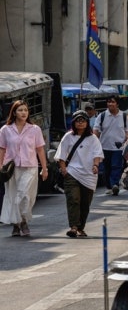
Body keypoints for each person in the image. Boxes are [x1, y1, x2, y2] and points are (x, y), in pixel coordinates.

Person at [0, 100, 49, 236]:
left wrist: (44, 168)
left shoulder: (34, 129)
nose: (23, 113)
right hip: (11, 168)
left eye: (25, 110)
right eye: (20, 110)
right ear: (14, 112)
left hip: (30, 167)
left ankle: (22, 220)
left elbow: (40, 149)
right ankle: (18, 224)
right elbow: (2, 149)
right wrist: (0, 165)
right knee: (12, 195)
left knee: (25, 195)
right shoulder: (6, 130)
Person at [56, 110, 103, 238]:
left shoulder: (93, 138)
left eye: (83, 120)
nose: (80, 123)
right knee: (73, 199)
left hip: (88, 175)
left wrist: (95, 166)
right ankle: (73, 227)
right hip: (72, 172)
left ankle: (81, 227)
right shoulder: (68, 137)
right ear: (74, 122)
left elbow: (97, 154)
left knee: (85, 203)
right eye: (78, 120)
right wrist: (64, 169)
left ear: (87, 123)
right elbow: (61, 155)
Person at [93, 95, 128, 195]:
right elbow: (96, 130)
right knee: (106, 168)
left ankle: (115, 184)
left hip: (118, 148)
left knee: (116, 166)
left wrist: (126, 142)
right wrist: (93, 143)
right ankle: (109, 186)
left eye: (113, 102)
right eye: (109, 102)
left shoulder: (124, 116)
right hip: (104, 147)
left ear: (117, 104)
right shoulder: (101, 116)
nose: (110, 104)